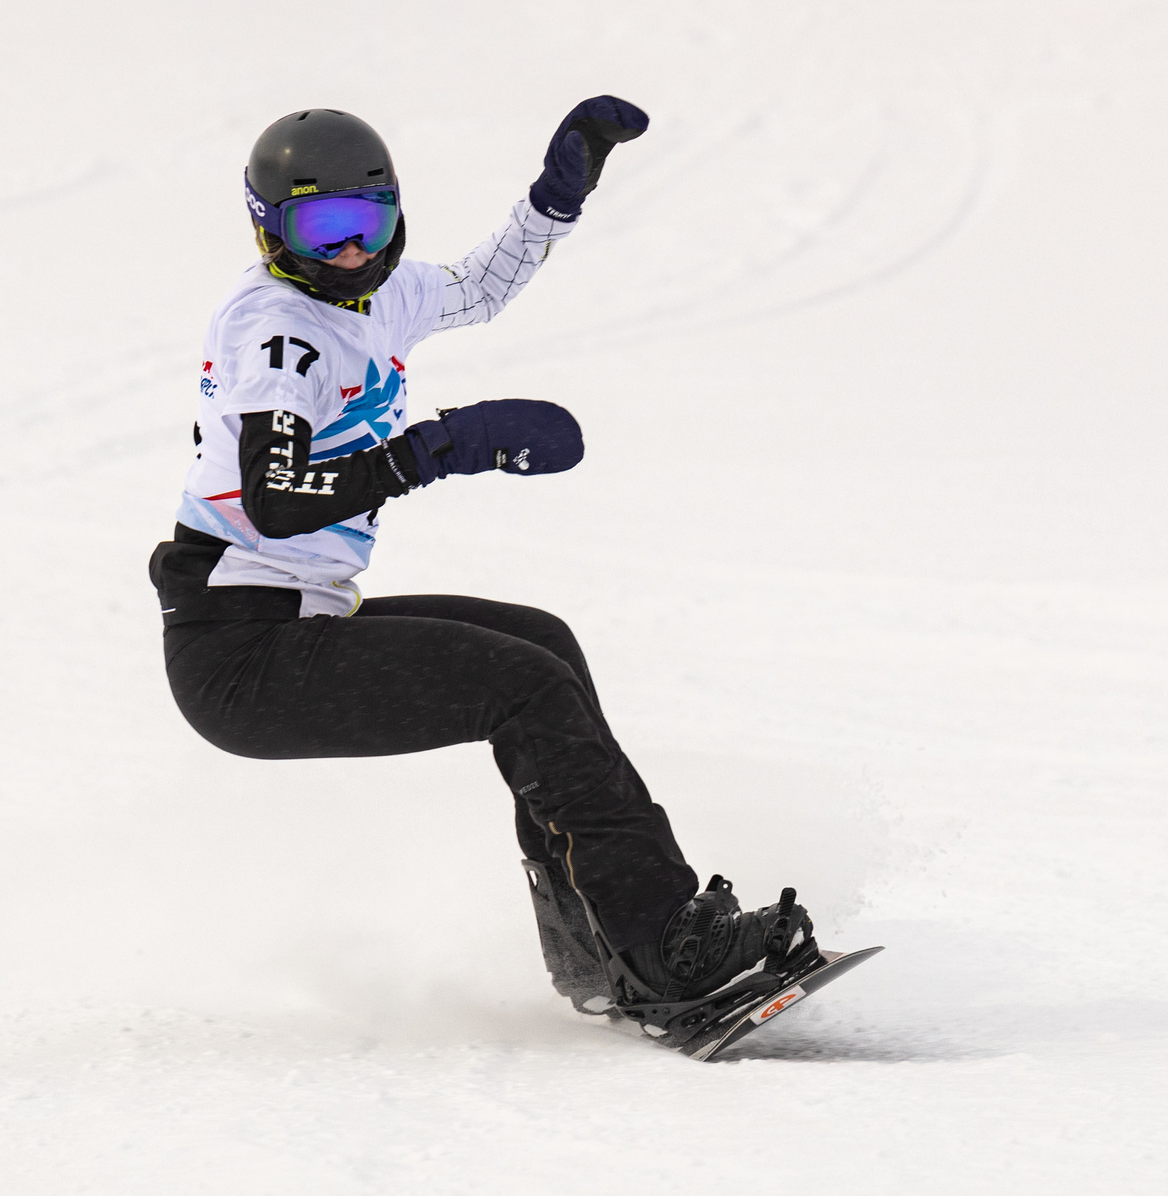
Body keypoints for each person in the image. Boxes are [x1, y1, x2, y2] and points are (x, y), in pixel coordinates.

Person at [150, 98, 812, 1019]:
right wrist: (430, 452)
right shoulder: (281, 331)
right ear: (271, 231)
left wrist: (556, 196)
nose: (350, 250)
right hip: (244, 656)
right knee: (523, 687)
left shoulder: (374, 294)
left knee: (546, 647)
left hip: (295, 619)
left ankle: (600, 950)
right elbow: (275, 498)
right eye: (323, 227)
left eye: (367, 222)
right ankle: (667, 948)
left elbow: (477, 288)